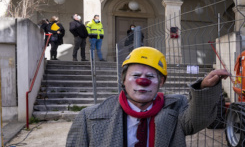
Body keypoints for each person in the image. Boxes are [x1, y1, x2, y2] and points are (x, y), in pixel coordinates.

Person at [65, 46, 228, 146]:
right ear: (123, 80)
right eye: (135, 75)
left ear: (161, 82)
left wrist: (205, 87)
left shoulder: (176, 110)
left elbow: (197, 119)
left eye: (150, 77)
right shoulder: (88, 117)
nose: (142, 81)